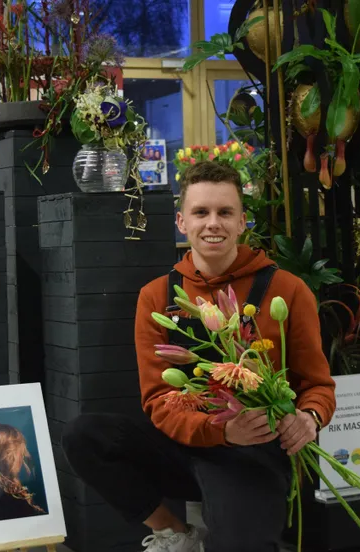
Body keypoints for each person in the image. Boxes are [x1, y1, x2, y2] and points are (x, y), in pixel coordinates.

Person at [62, 161, 336, 552]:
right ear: (181, 221)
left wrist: (309, 418)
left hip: (256, 449)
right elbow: (158, 399)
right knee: (85, 436)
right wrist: (219, 430)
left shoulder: (287, 290)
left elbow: (318, 385)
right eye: (201, 212)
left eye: (225, 213)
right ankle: (176, 534)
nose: (213, 224)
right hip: (186, 444)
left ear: (243, 222)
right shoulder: (157, 296)